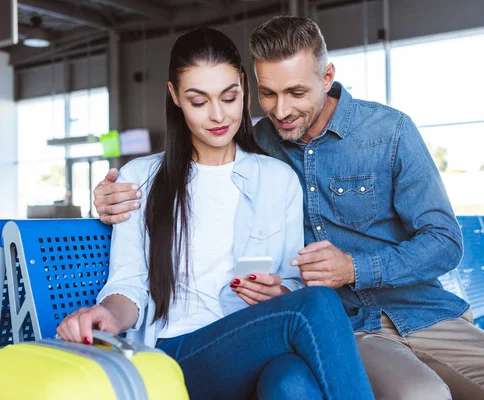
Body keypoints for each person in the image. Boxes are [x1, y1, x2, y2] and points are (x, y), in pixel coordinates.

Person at [93, 16, 484, 400]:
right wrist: (107, 202)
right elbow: (134, 275)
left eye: (296, 93)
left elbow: (444, 243)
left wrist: (344, 271)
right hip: (336, 326)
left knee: (292, 383)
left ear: (327, 78)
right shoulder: (250, 148)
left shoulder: (382, 134)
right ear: (177, 98)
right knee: (415, 390)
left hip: (418, 310)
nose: (280, 111)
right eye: (269, 94)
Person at [57, 26, 374, 400]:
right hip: (176, 353)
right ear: (175, 96)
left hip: (252, 342)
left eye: (229, 97)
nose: (218, 115)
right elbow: (129, 285)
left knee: (290, 381)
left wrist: (277, 292)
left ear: (244, 86)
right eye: (199, 101)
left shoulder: (278, 179)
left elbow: (291, 284)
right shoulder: (140, 179)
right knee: (320, 303)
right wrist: (108, 314)